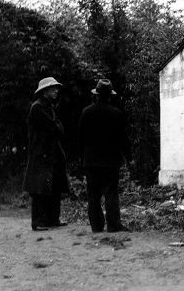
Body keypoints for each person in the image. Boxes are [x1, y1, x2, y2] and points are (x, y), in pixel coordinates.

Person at [78, 79, 130, 233]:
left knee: (93, 195)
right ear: (110, 96)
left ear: (97, 94)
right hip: (111, 161)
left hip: (91, 161)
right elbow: (122, 139)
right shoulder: (117, 114)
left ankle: (96, 226)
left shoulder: (86, 112)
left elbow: (80, 137)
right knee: (111, 193)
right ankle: (113, 225)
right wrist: (125, 157)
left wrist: (83, 157)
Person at [23, 77, 69, 231]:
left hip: (51, 153)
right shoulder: (37, 107)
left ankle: (53, 219)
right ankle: (38, 221)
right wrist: (56, 126)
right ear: (44, 91)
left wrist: (56, 127)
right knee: (40, 189)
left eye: (56, 88)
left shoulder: (49, 106)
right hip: (41, 154)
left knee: (54, 186)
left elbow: (60, 130)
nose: (56, 90)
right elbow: (53, 127)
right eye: (52, 88)